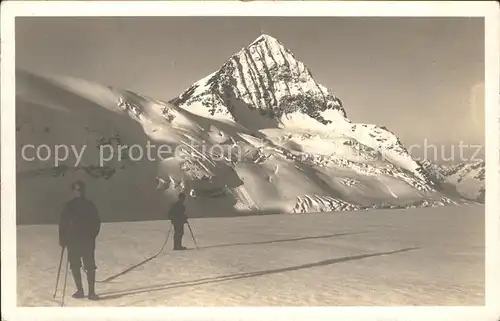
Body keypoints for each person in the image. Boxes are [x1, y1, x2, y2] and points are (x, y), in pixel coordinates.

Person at [59, 180, 101, 300]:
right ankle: (80, 291)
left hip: (87, 241)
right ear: (73, 191)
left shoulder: (90, 205)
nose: (79, 192)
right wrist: (63, 240)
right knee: (75, 266)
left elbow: (97, 222)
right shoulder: (68, 206)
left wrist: (92, 235)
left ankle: (92, 292)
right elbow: (63, 224)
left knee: (90, 266)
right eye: (77, 189)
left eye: (81, 189)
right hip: (72, 241)